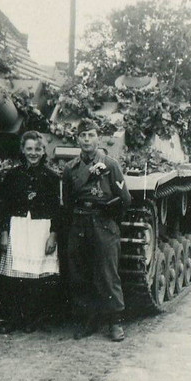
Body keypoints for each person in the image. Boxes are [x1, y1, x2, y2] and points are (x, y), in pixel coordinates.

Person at [62, 120, 131, 341]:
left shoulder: (110, 165)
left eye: (91, 135)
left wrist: (109, 219)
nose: (87, 140)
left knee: (107, 273)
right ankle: (87, 319)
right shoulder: (70, 169)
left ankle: (115, 321)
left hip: (104, 223)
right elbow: (67, 201)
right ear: (77, 139)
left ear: (98, 138)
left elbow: (125, 200)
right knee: (80, 274)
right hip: (80, 223)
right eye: (82, 135)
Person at [0, 131, 60, 333]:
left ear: (43, 151)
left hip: (41, 228)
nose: (33, 153)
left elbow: (57, 210)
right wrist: (4, 232)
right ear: (23, 150)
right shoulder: (12, 175)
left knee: (38, 277)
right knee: (15, 277)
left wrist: (53, 234)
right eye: (29, 149)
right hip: (18, 226)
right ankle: (13, 318)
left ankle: (33, 320)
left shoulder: (51, 177)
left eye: (37, 149)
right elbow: (5, 206)